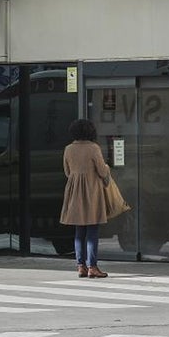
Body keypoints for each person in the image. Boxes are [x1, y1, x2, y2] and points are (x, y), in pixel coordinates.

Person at [60, 119, 111, 279]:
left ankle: (80, 266)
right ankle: (93, 267)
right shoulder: (93, 148)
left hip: (74, 191)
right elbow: (102, 171)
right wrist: (108, 168)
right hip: (91, 191)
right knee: (92, 229)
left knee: (79, 230)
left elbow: (67, 171)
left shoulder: (68, 149)